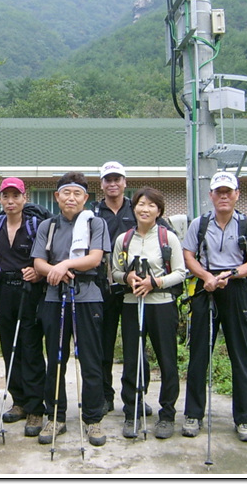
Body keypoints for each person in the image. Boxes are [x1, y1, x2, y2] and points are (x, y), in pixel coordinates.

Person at [181, 171, 247, 442]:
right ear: (211, 196)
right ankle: (193, 414)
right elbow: (188, 256)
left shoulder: (246, 225)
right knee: (199, 353)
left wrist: (231, 275)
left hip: (236, 287)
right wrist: (206, 277)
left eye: (229, 191)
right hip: (206, 288)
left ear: (237, 194)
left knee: (240, 354)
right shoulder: (199, 223)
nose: (224, 196)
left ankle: (244, 419)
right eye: (219, 192)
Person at [31, 172, 111, 447]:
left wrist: (64, 265)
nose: (71, 198)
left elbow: (95, 258)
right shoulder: (48, 226)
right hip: (54, 298)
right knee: (55, 360)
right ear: (57, 197)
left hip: (88, 297)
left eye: (77, 193)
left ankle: (92, 418)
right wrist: (55, 269)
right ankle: (55, 415)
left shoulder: (95, 223)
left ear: (85, 198)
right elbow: (38, 262)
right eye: (66, 193)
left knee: (90, 360)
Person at [112, 187, 186, 439]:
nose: (145, 209)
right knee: (132, 359)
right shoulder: (124, 239)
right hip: (132, 304)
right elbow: (114, 272)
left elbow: (180, 272)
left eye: (151, 205)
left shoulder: (168, 237)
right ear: (133, 208)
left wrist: (155, 283)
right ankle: (132, 410)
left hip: (162, 304)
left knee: (167, 358)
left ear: (159, 210)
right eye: (140, 204)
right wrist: (128, 277)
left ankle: (167, 414)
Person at [0, 177, 46, 437]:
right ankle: (18, 401)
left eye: (15, 196)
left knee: (29, 345)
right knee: (9, 345)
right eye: (6, 196)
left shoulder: (35, 224)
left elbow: (45, 257)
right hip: (4, 289)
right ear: (1, 198)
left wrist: (37, 272)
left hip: (30, 290)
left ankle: (36, 407)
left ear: (24, 198)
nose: (10, 201)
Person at [92, 160, 156, 417]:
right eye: (108, 179)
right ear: (102, 184)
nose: (113, 183)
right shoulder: (94, 214)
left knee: (136, 345)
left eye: (117, 179)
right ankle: (105, 396)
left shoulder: (139, 208)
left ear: (125, 182)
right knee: (103, 345)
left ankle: (138, 395)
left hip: (135, 289)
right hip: (103, 289)